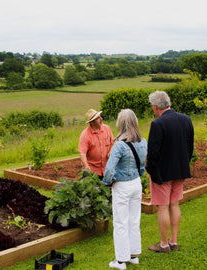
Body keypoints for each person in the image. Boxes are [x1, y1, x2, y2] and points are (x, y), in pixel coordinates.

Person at [146, 90, 194, 253]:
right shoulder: (186, 119)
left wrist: (151, 171)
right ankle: (173, 241)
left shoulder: (157, 124)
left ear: (155, 106)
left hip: (162, 174)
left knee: (162, 207)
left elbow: (152, 154)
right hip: (180, 170)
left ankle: (164, 244)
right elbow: (189, 148)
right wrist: (183, 165)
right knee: (174, 204)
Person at [102, 109, 147, 270]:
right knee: (134, 220)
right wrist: (139, 175)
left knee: (120, 222)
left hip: (122, 185)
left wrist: (107, 182)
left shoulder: (120, 145)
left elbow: (109, 169)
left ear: (120, 123)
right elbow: (142, 166)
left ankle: (120, 261)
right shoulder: (143, 142)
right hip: (136, 184)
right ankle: (133, 255)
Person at [78, 109, 114, 180]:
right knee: (88, 189)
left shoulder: (107, 129)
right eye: (98, 118)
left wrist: (110, 151)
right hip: (93, 171)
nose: (101, 119)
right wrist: (86, 166)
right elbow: (82, 153)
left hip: (106, 169)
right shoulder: (85, 135)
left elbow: (112, 143)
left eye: (100, 117)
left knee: (108, 189)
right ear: (92, 122)